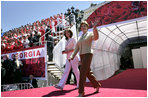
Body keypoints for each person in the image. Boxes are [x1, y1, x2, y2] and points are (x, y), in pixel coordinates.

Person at [69, 21, 101, 97]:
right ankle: (97, 85)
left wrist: (95, 28)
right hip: (82, 56)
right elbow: (76, 48)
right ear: (81, 28)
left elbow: (96, 37)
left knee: (82, 73)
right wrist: (72, 56)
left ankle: (81, 92)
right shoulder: (80, 38)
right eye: (82, 26)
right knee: (87, 72)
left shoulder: (90, 34)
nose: (83, 27)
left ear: (87, 27)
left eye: (85, 26)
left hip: (88, 54)